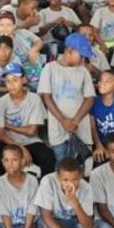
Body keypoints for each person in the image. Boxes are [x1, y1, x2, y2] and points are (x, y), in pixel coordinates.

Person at [39, 33, 96, 165]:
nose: (82, 60)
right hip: (58, 129)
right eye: (80, 56)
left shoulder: (84, 71)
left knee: (82, 165)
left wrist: (75, 121)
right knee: (61, 165)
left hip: (81, 128)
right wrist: (63, 120)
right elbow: (46, 98)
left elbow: (89, 99)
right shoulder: (50, 68)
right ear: (69, 51)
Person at [0, 63, 56, 179]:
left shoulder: (34, 99)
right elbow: (0, 135)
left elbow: (32, 132)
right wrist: (21, 148)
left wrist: (7, 125)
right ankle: (0, 193)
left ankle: (44, 193)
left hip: (31, 142)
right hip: (8, 141)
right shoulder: (0, 102)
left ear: (24, 80)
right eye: (8, 81)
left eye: (15, 80)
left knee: (48, 156)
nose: (11, 85)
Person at [33, 157, 94, 228]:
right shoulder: (48, 181)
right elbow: (46, 215)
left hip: (73, 220)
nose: (70, 184)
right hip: (52, 220)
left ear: (80, 176)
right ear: (58, 177)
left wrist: (76, 205)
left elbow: (88, 226)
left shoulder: (86, 188)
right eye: (65, 180)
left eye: (75, 179)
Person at [0, 145, 37, 228]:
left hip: (28, 223)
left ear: (22, 161)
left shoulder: (32, 181)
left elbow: (32, 210)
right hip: (8, 225)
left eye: (15, 160)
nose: (10, 164)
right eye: (6, 160)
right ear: (2, 162)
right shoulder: (0, 182)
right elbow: (4, 212)